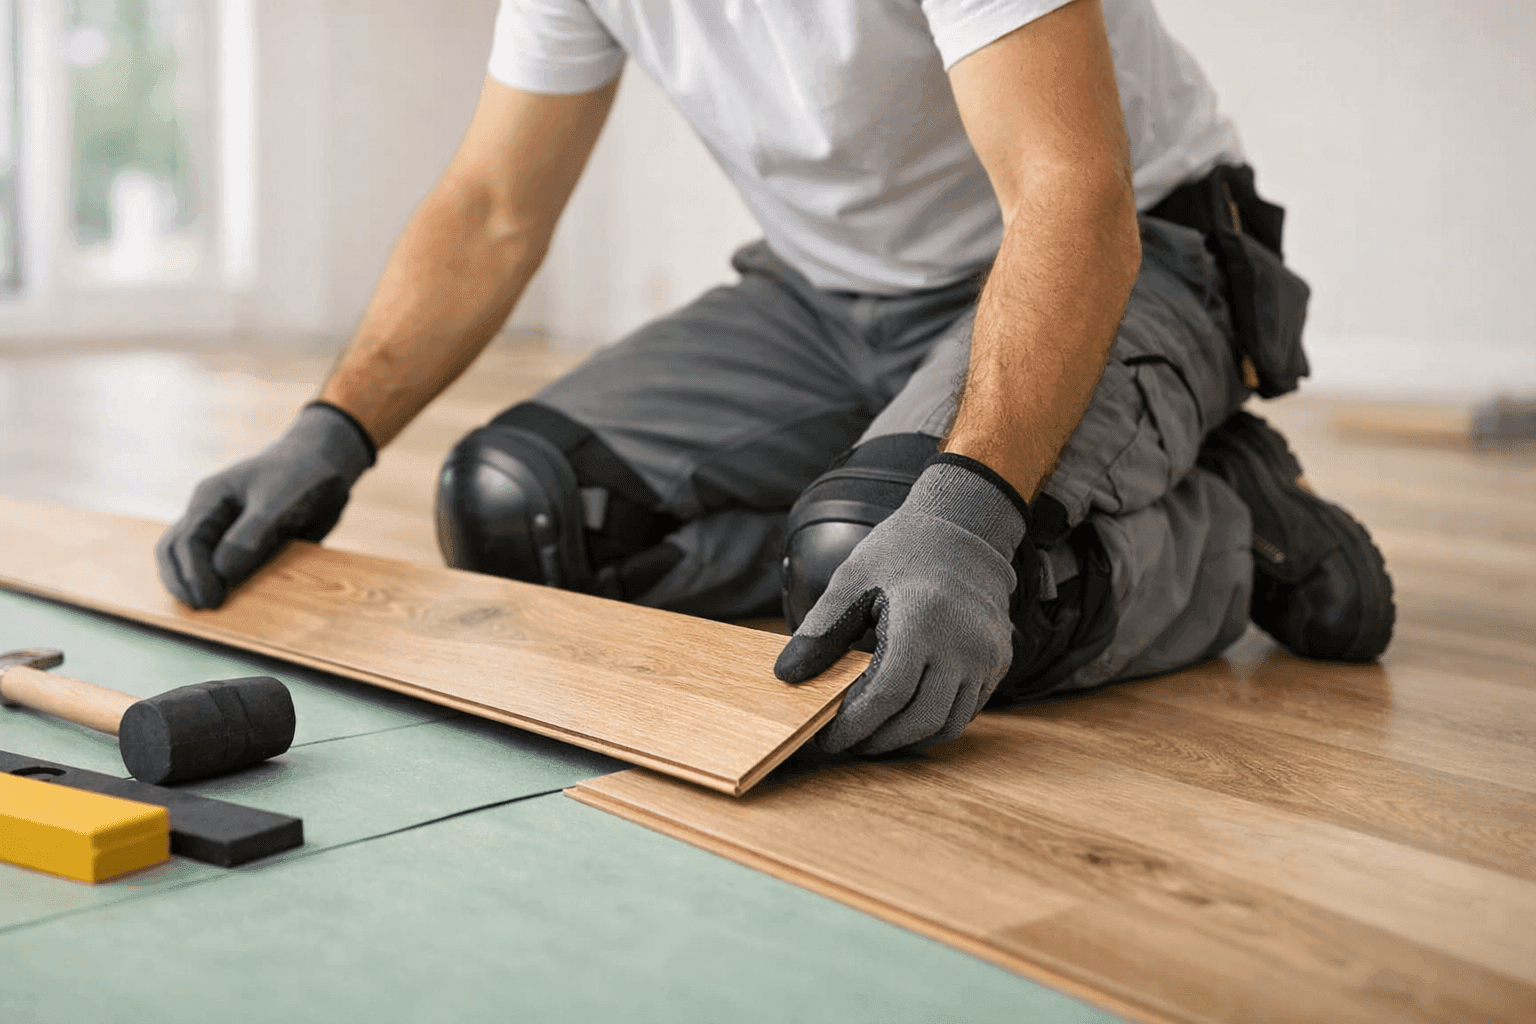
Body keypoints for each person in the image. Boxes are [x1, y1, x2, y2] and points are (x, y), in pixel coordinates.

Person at [156, 0, 1394, 759]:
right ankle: (894, 515)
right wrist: (332, 429)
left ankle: (1232, 528)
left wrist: (964, 514)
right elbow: (489, 208)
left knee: (932, 574)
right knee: (523, 507)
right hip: (824, 294)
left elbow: (1071, 192)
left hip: (1131, 249)